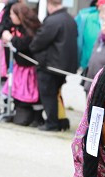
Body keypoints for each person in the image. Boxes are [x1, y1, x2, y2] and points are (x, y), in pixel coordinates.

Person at [27, 0, 77, 131]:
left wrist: (32, 47)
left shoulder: (53, 20)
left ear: (50, 5)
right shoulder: (69, 19)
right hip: (63, 65)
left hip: (50, 65)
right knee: (55, 94)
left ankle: (52, 122)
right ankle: (58, 121)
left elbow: (39, 41)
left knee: (48, 94)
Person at [2, 1, 41, 125]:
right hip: (19, 66)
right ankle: (17, 112)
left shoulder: (30, 29)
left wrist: (11, 38)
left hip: (29, 67)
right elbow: (2, 29)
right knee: (16, 91)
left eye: (13, 15)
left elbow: (25, 44)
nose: (11, 17)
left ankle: (36, 118)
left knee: (31, 93)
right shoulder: (15, 26)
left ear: (20, 16)